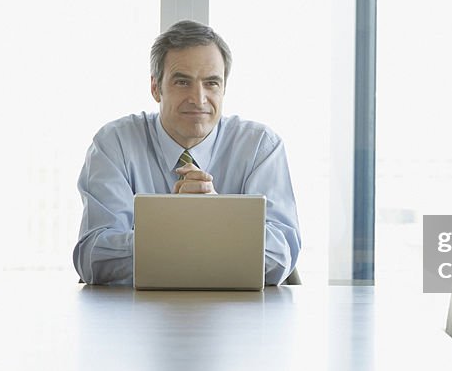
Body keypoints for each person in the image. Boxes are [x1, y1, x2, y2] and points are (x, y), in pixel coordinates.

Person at [72, 20, 301, 285]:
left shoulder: (261, 147)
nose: (199, 98)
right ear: (155, 88)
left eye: (212, 83)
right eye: (182, 82)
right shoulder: (115, 144)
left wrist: (217, 218)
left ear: (224, 88)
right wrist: (187, 233)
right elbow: (94, 259)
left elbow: (281, 256)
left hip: (238, 319)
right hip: (137, 319)